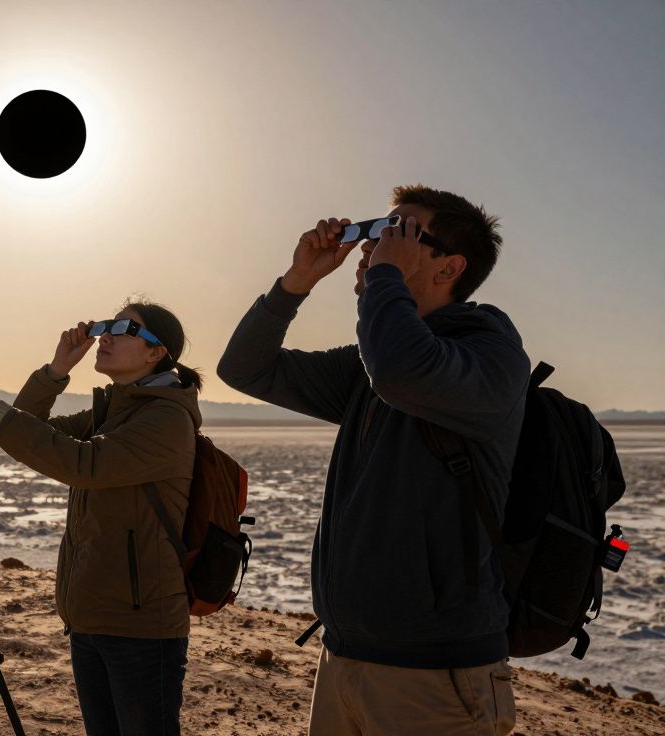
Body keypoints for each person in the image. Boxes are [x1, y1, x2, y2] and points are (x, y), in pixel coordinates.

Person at [218, 185, 529, 735]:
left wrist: (383, 283)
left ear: (449, 267)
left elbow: (401, 371)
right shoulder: (370, 361)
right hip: (344, 657)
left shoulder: (490, 353)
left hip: (438, 675)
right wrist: (296, 283)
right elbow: (244, 368)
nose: (372, 248)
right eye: (373, 232)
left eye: (398, 234)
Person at [0, 301, 202, 735]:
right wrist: (55, 371)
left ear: (156, 353)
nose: (105, 335)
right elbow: (35, 427)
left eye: (123, 329)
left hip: (141, 627)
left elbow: (82, 463)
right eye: (106, 325)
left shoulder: (166, 418)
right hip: (90, 615)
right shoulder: (115, 411)